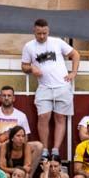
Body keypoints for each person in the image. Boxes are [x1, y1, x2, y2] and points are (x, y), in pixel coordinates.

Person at [21, 18, 79, 161]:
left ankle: (56, 150)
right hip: (44, 87)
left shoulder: (57, 42)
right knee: (43, 117)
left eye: (44, 33)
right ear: (34, 31)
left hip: (62, 86)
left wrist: (73, 72)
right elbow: (24, 66)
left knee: (60, 117)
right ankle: (45, 149)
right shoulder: (29, 46)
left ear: (48, 31)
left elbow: (75, 54)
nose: (42, 36)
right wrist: (31, 68)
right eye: (39, 33)